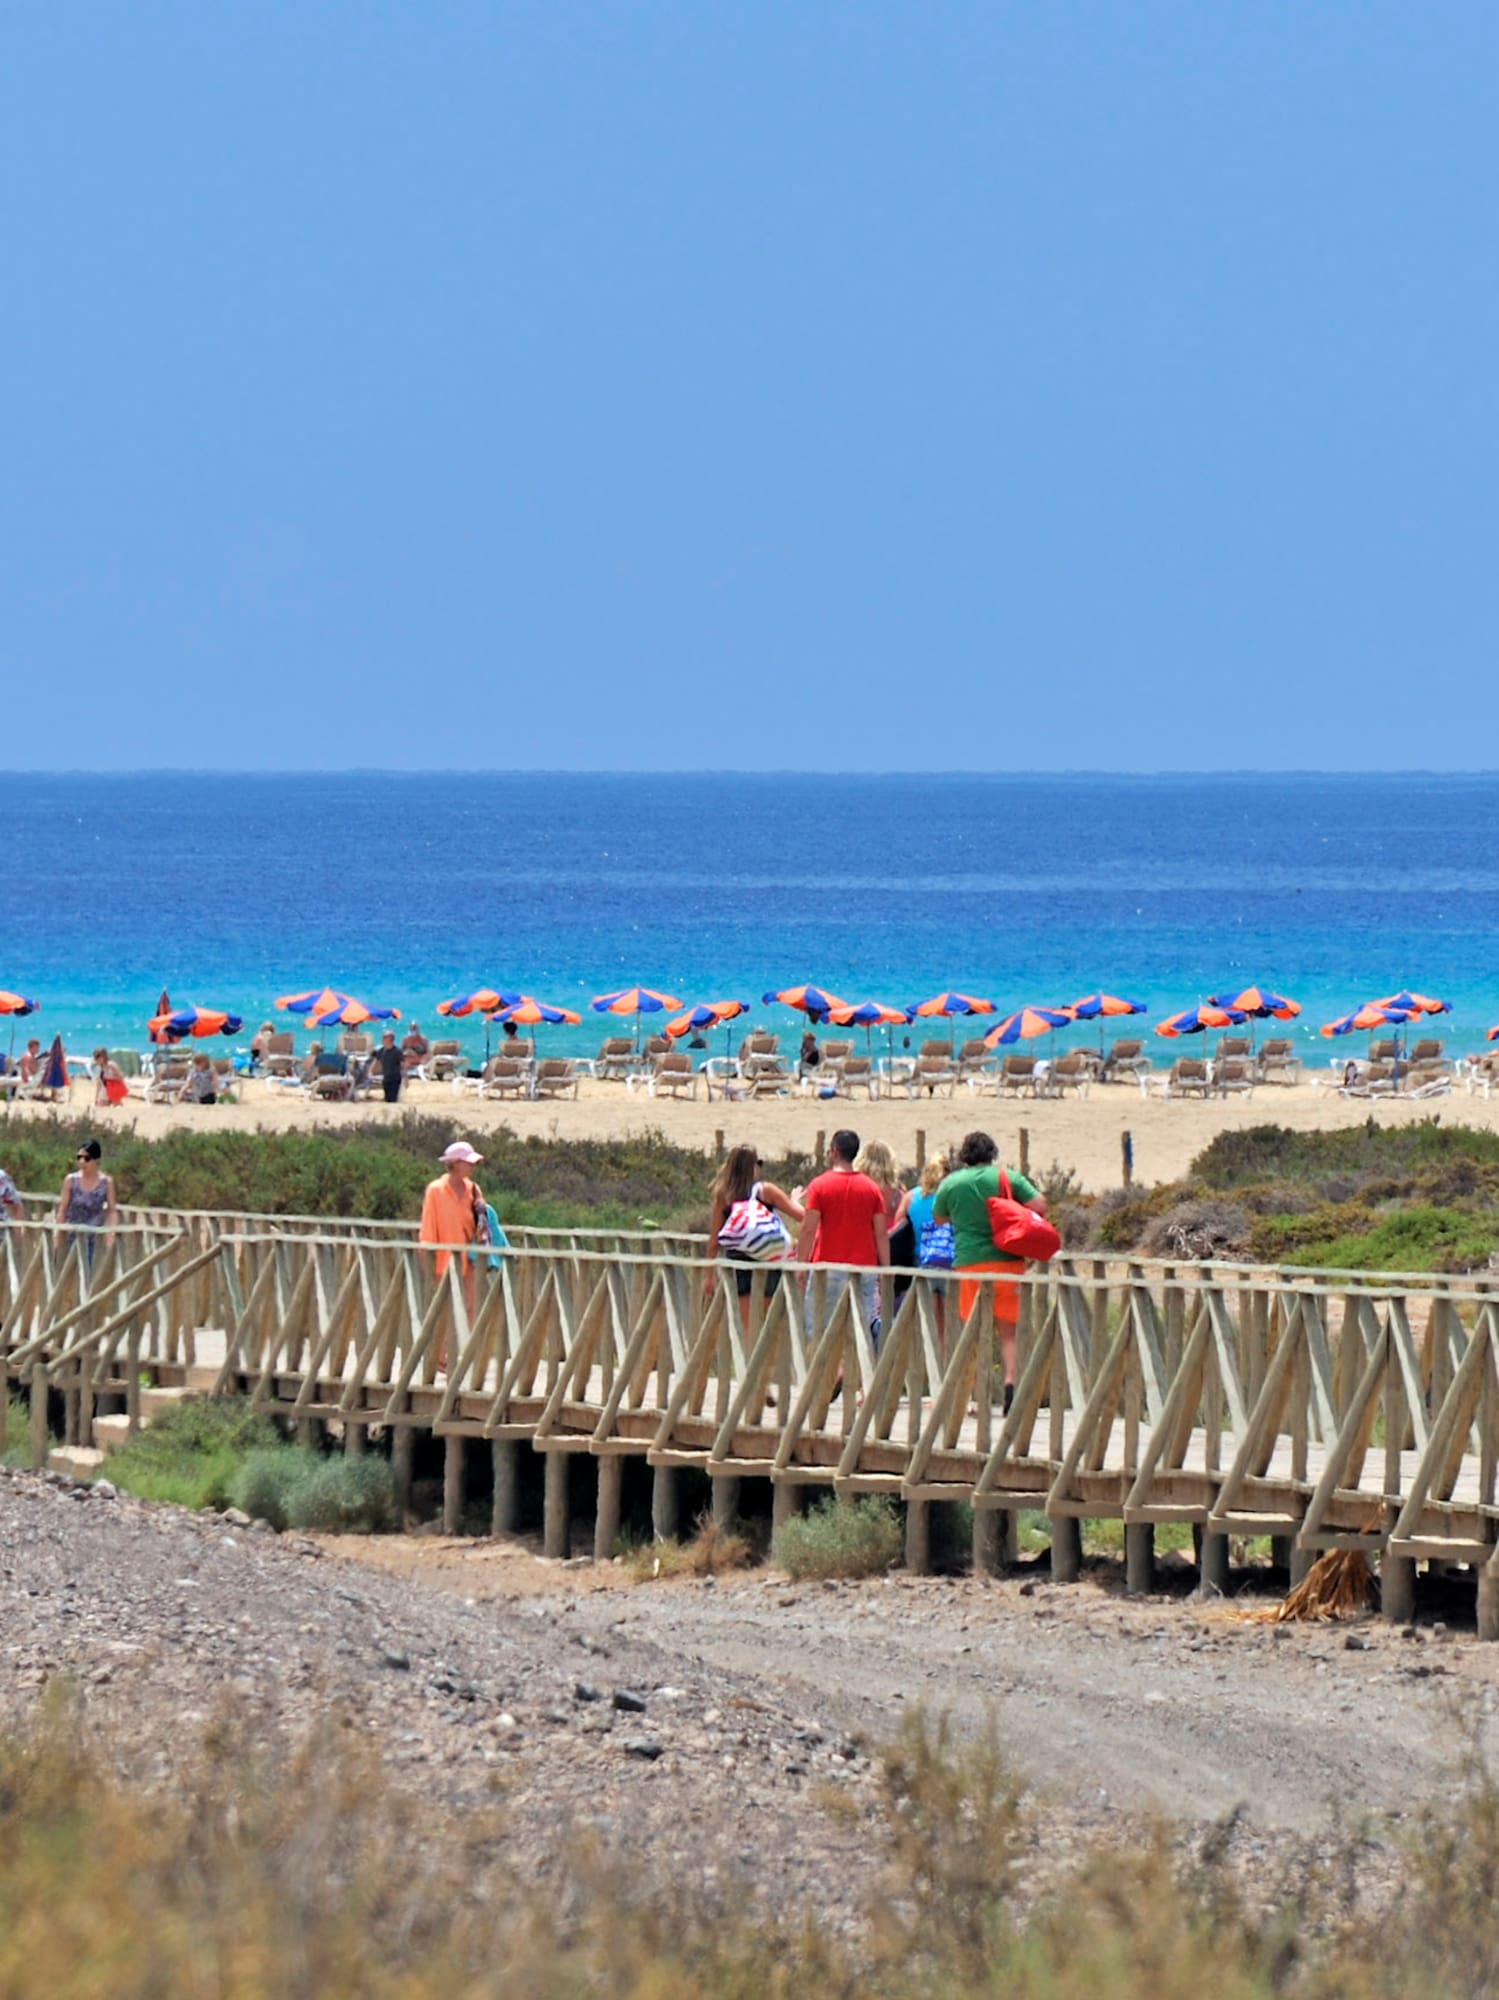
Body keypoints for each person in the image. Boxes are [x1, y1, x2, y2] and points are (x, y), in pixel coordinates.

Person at [932, 1131, 1046, 1412]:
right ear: (992, 1153)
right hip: (1007, 1261)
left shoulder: (952, 1183)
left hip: (969, 1262)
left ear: (964, 1155)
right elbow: (1040, 1206)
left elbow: (938, 1216)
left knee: (975, 1330)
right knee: (1009, 1331)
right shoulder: (1007, 1178)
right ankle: (1011, 1381)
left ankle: (978, 1396)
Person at [795, 1128, 889, 1335]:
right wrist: (886, 1269)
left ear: (834, 1152)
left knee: (819, 1330)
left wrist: (801, 1265)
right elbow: (881, 1233)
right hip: (864, 1268)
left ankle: (827, 1368)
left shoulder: (820, 1185)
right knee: (858, 1332)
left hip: (827, 1265)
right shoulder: (871, 1188)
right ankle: (849, 1368)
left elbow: (808, 1228)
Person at [704, 1144, 804, 1335]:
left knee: (747, 1327)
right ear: (752, 1166)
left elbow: (714, 1241)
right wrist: (795, 1201)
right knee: (769, 1326)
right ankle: (767, 1364)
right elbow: (802, 1216)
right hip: (768, 1263)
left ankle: (749, 1364)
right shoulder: (766, 1191)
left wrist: (709, 1275)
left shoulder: (724, 1195)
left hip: (738, 1265)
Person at [419, 1141, 488, 1354]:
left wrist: (482, 1207)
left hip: (470, 1260)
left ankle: (460, 1354)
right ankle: (440, 1357)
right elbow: (428, 1226)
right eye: (468, 1163)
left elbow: (480, 1223)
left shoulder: (473, 1189)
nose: (472, 1167)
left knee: (469, 1308)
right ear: (455, 1164)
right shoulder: (435, 1190)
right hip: (442, 1261)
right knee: (443, 1308)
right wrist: (426, 1258)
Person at [893, 1154, 953, 1351]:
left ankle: (926, 1374)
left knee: (925, 1324)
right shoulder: (952, 1197)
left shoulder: (911, 1197)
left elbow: (897, 1228)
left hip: (921, 1262)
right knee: (946, 1325)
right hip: (949, 1261)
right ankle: (943, 1374)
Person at [55, 1138, 117, 1270]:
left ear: (96, 1160)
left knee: (89, 1274)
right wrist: (58, 1233)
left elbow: (112, 1210)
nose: (82, 1162)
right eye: (79, 1157)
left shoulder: (106, 1182)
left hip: (95, 1238)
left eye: (86, 1158)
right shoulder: (71, 1180)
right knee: (67, 1274)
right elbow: (63, 1209)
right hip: (71, 1236)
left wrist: (111, 1233)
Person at [368, 1028, 404, 1103]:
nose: (382, 1039)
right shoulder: (381, 1050)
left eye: (384, 1037)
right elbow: (376, 1061)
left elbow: (403, 1065)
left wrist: (405, 1077)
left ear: (390, 1039)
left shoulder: (397, 1051)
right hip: (386, 1078)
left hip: (395, 1079)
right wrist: (370, 1071)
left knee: (393, 1099)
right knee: (387, 1099)